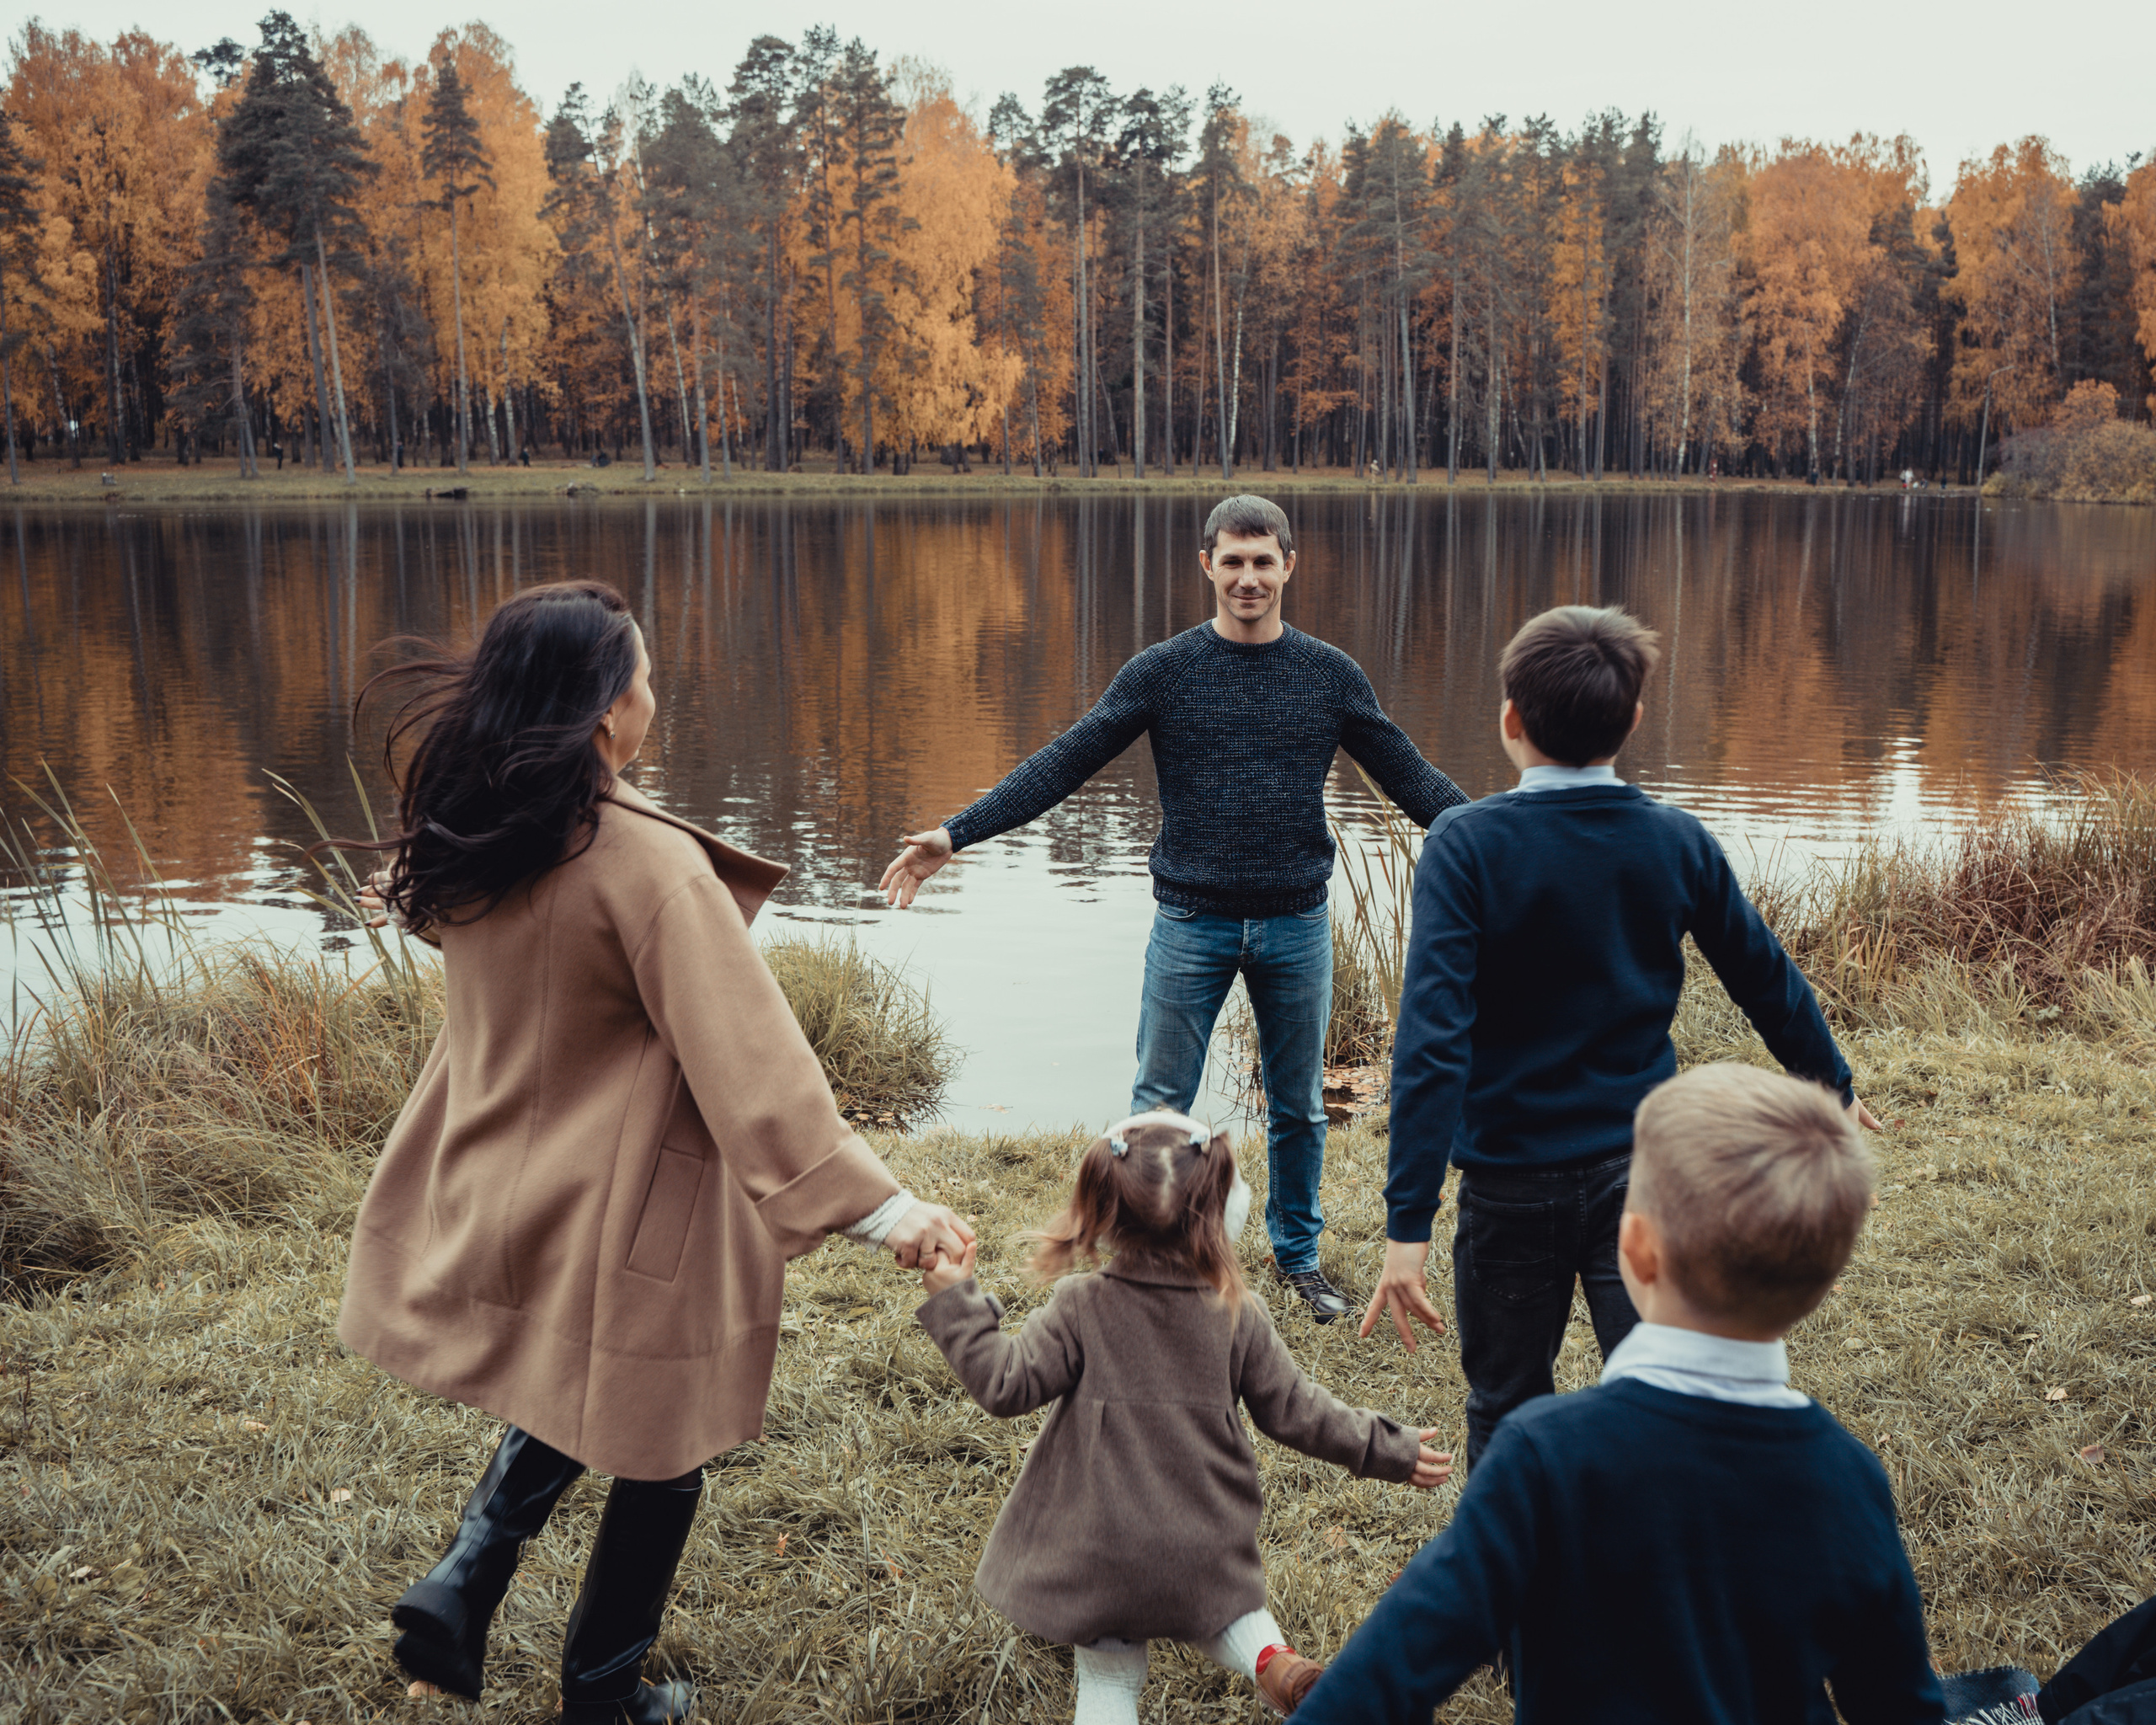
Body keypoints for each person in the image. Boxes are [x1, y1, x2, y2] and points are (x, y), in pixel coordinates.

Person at [328, 580, 974, 1725]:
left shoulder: (490, 828)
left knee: (601, 1390)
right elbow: (756, 1066)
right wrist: (884, 1209)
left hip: (515, 1180)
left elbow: (443, 920)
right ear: (601, 710)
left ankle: (468, 1577)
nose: (654, 696)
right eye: (643, 675)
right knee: (664, 1441)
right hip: (636, 1206)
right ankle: (601, 1696)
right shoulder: (644, 863)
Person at [881, 494, 1467, 1322]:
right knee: (1158, 1105)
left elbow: (1410, 778)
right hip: (1189, 923)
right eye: (1232, 561)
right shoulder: (1163, 671)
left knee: (1297, 1106)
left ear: (1289, 566)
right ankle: (1148, 1258)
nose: (1248, 577)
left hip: (1296, 921)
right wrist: (957, 832)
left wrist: (1503, 832)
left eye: (1264, 561)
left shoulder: (1329, 674)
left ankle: (1298, 1258)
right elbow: (1065, 762)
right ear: (1207, 566)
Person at [1361, 605, 1877, 1465]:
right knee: (1654, 1389)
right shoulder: (1673, 839)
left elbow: (1432, 1041)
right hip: (1639, 1172)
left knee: (1506, 1401)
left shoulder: (1465, 844)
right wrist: (1829, 1081)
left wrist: (1405, 1224)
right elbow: (1763, 973)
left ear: (1509, 720)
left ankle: (1514, 1580)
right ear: (1634, 720)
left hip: (1507, 1178)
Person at [1299, 1063, 1944, 1725]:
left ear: (1634, 1248)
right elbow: (1902, 1707)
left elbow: (1393, 1669)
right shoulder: (1849, 1478)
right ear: (1822, 1284)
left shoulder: (1542, 1458)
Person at [916, 1110, 1452, 1722]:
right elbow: (1299, 1411)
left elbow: (1004, 1384)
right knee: (1229, 1612)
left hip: (1100, 1551)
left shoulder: (1080, 1305)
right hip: (1202, 1544)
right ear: (1222, 1216)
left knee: (1110, 1683)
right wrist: (1390, 1448)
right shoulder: (1236, 1313)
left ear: (1101, 1214)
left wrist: (956, 1300)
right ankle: (1276, 1663)